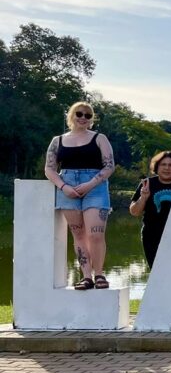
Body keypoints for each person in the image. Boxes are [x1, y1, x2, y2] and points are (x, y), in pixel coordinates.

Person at [43, 101, 116, 290]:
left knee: (95, 234)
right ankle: (86, 277)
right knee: (78, 234)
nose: (83, 118)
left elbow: (109, 166)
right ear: (71, 115)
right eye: (79, 114)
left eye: (88, 115)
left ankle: (99, 274)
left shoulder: (100, 138)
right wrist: (63, 186)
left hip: (95, 186)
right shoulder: (57, 141)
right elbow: (49, 170)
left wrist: (90, 184)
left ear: (91, 119)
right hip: (67, 186)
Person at [129, 151, 171, 267]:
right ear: (157, 167)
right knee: (156, 272)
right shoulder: (147, 184)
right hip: (151, 235)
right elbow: (134, 212)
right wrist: (143, 197)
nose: (167, 168)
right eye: (163, 164)